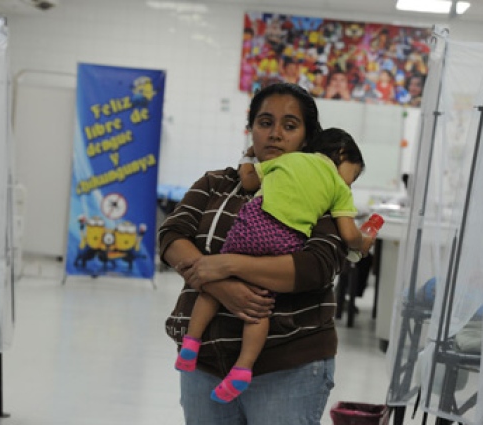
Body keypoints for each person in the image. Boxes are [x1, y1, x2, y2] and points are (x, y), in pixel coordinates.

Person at [159, 82, 350, 424]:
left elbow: (315, 268)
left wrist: (226, 265)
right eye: (265, 123)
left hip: (286, 368)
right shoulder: (216, 183)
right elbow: (172, 235)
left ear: (306, 138)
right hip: (203, 363)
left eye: (290, 126)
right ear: (251, 131)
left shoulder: (320, 195)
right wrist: (220, 287)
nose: (275, 134)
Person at [174, 127, 374, 404]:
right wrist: (364, 243)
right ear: (342, 154)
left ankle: (191, 345)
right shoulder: (339, 190)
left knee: (210, 290)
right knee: (259, 305)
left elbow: (247, 180)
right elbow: (350, 236)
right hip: (285, 242)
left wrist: (248, 155)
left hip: (251, 226)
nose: (350, 183)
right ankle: (243, 368)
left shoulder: (288, 160)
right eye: (353, 175)